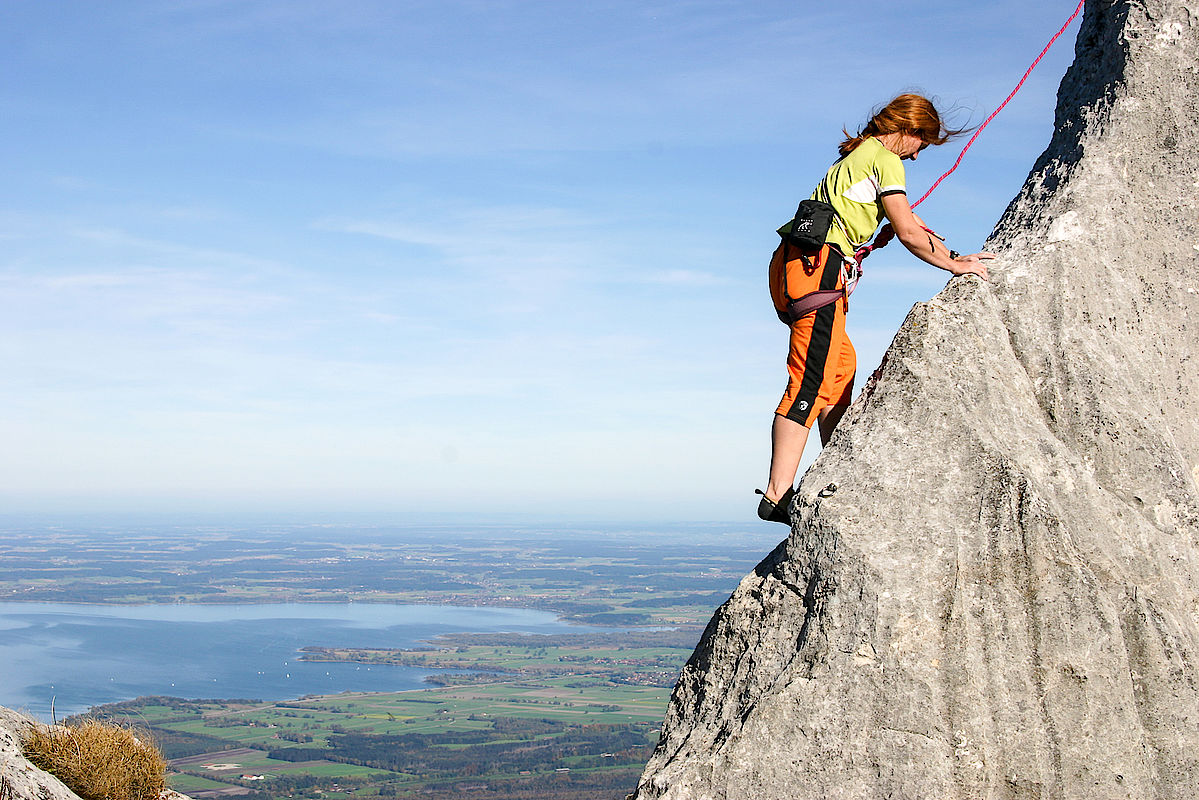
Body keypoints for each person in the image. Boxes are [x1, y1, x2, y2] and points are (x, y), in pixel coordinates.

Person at [757, 93, 994, 525]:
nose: (920, 155)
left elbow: (907, 223)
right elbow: (907, 229)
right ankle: (776, 495)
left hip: (799, 268)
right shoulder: (885, 159)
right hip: (819, 271)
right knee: (809, 381)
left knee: (840, 371)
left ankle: (833, 472)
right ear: (910, 129)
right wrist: (956, 266)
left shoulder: (857, 157)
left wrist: (953, 253)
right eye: (923, 143)